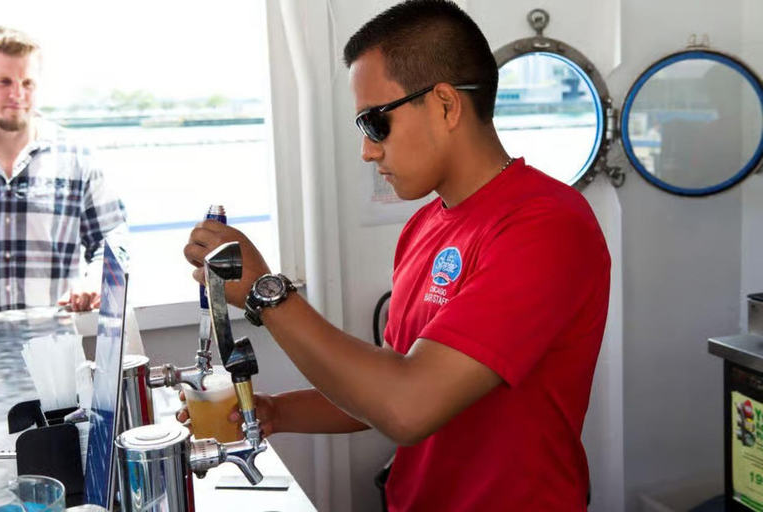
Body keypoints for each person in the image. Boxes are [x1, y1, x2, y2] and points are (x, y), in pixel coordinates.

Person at [182, 1, 611, 509]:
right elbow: (387, 382)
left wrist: (265, 292)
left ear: (447, 105)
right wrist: (278, 412)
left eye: (374, 123)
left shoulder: (547, 227)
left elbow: (409, 405)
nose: (367, 150)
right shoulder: (423, 227)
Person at [0, 26, 128, 312]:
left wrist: (95, 280)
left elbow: (112, 237)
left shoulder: (76, 156)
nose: (17, 94)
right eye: (3, 82)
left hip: (53, 344)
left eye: (27, 83)